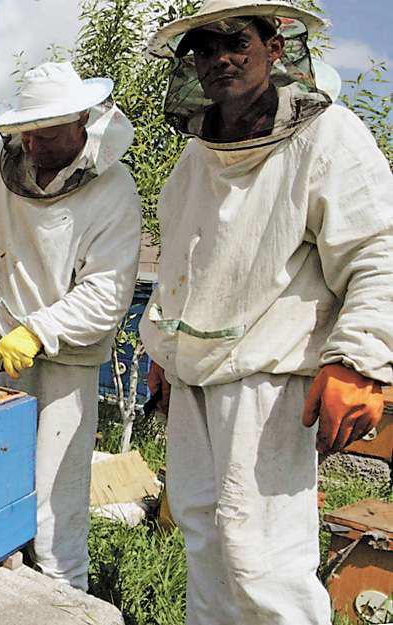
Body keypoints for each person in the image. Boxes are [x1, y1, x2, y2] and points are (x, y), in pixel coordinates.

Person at [139, 1, 393, 623]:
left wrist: (361, 359)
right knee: (204, 544)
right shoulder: (195, 156)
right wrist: (163, 352)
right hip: (195, 380)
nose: (219, 59)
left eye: (236, 43)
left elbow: (377, 247)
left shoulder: (329, 136)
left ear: (276, 48)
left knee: (264, 564)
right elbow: (184, 260)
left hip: (270, 380)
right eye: (203, 48)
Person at [0, 62, 142, 591]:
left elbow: (106, 295)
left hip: (63, 364)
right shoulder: (4, 158)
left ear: (83, 120)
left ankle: (64, 600)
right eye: (27, 132)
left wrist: (38, 331)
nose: (34, 145)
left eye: (49, 133)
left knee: (54, 509)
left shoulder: (113, 192)